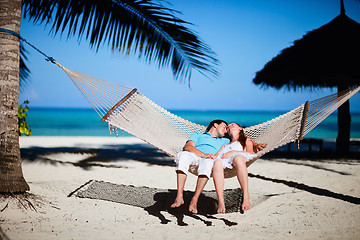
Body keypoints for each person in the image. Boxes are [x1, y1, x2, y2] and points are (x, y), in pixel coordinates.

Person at [170, 120, 230, 213]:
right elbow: (189, 147)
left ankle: (195, 199)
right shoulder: (197, 134)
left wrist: (255, 144)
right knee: (183, 155)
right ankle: (179, 195)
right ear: (215, 125)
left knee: (209, 162)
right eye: (224, 127)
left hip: (209, 159)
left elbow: (242, 141)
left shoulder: (225, 140)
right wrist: (204, 154)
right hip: (195, 155)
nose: (226, 131)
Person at [212, 122, 258, 213]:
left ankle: (246, 197)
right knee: (217, 163)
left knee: (237, 158)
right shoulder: (226, 144)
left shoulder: (246, 140)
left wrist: (233, 152)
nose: (229, 127)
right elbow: (216, 156)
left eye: (232, 125)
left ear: (240, 128)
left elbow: (251, 153)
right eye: (227, 127)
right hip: (224, 162)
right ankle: (221, 202)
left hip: (239, 159)